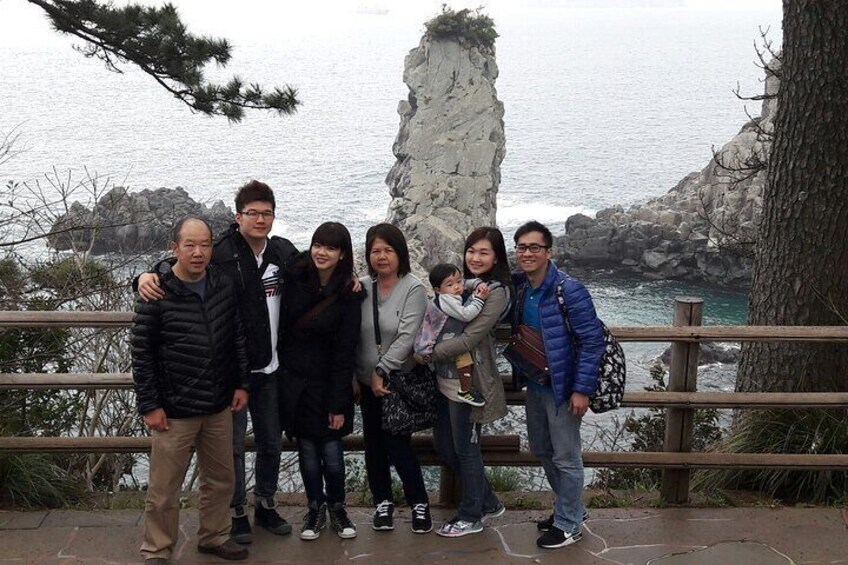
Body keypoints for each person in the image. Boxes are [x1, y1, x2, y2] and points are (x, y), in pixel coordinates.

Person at [136, 180, 297, 543]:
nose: (260, 219)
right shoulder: (221, 251)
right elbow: (178, 265)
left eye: (266, 213)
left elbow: (317, 275)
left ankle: (265, 504)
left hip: (269, 370)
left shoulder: (284, 253)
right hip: (229, 376)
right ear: (237, 217)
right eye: (252, 213)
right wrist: (143, 276)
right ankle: (236, 512)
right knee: (231, 453)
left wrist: (350, 280)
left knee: (271, 443)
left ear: (273, 216)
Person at [131, 217, 250, 563]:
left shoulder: (222, 284)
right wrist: (150, 405)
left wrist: (241, 384)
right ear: (174, 248)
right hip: (174, 408)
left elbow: (237, 338)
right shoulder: (156, 292)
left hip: (217, 403)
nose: (199, 253)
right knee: (164, 488)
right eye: (190, 245)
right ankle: (157, 548)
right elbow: (141, 355)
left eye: (205, 245)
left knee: (221, 479)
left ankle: (214, 536)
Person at [511, 220, 605, 549]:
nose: (527, 253)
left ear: (549, 252)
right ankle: (572, 509)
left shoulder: (569, 289)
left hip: (562, 389)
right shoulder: (520, 286)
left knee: (566, 457)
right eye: (521, 247)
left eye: (534, 247)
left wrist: (582, 390)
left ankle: (568, 524)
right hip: (535, 386)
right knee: (542, 450)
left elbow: (593, 342)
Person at [277, 222, 363, 541]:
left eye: (330, 247)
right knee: (308, 454)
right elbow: (270, 246)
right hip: (296, 382)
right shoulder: (296, 275)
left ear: (342, 254)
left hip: (330, 384)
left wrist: (339, 403)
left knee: (333, 454)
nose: (321, 252)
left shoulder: (350, 294)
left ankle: (337, 508)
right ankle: (315, 509)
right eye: (317, 245)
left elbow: (345, 352)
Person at [426, 227, 511, 538]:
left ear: (496, 257)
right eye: (471, 251)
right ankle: (488, 501)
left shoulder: (496, 291)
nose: (475, 257)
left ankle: (471, 515)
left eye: (483, 252)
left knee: (465, 449)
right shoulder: (462, 285)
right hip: (445, 382)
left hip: (470, 385)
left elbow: (471, 337)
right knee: (445, 446)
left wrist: (428, 353)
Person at [354, 223, 432, 534]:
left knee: (398, 445)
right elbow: (349, 335)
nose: (382, 256)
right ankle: (382, 503)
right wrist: (357, 376)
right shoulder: (360, 288)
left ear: (400, 253)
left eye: (388, 250)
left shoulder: (412, 289)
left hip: (395, 383)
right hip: (364, 381)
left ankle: (419, 503)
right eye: (375, 251)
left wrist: (381, 370)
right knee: (373, 444)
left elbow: (407, 337)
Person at [414, 263, 491, 407]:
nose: (457, 287)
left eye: (458, 281)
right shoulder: (446, 300)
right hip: (437, 342)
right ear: (437, 290)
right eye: (450, 285)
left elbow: (463, 284)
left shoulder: (445, 295)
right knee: (464, 358)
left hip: (434, 340)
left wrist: (477, 283)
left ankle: (465, 389)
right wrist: (479, 299)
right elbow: (466, 315)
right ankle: (465, 390)